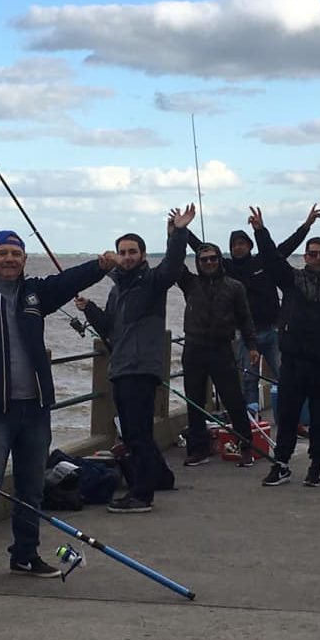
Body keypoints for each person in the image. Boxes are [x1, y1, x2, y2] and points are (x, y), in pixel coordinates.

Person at [0, 230, 115, 589]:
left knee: (31, 487)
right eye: (2, 253)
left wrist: (100, 266)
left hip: (36, 410)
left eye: (16, 254)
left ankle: (25, 555)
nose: (9, 259)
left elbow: (69, 280)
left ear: (25, 260)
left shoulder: (37, 294)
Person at [76, 205, 194, 512]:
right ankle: (161, 478)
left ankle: (142, 495)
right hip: (122, 367)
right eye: (122, 251)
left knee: (136, 434)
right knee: (133, 431)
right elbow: (108, 327)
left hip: (140, 368)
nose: (127, 256)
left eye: (132, 251)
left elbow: (172, 265)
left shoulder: (152, 281)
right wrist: (88, 307)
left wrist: (178, 233)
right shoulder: (119, 290)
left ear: (142, 255)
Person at [248, 207, 320, 488]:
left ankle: (316, 465)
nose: (316, 258)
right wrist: (260, 231)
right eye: (311, 253)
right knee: (287, 417)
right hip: (292, 362)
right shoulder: (292, 281)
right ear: (305, 257)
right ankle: (282, 463)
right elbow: (271, 259)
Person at [187, 205, 320, 410]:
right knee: (248, 379)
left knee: (283, 374)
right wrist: (183, 231)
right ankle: (252, 417)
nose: (238, 248)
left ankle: (293, 414)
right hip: (245, 335)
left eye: (242, 243)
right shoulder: (226, 268)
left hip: (272, 330)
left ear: (250, 245)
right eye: (234, 245)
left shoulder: (264, 261)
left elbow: (286, 247)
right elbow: (202, 249)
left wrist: (306, 225)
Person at [176, 241, 259, 467]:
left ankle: (245, 446)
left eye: (213, 258)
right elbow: (174, 261)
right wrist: (175, 234)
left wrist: (252, 346)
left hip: (221, 349)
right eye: (204, 259)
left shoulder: (235, 287)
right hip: (193, 348)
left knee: (234, 400)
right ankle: (198, 449)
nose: (209, 262)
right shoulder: (189, 283)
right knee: (194, 401)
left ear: (220, 260)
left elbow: (245, 319)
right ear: (198, 262)